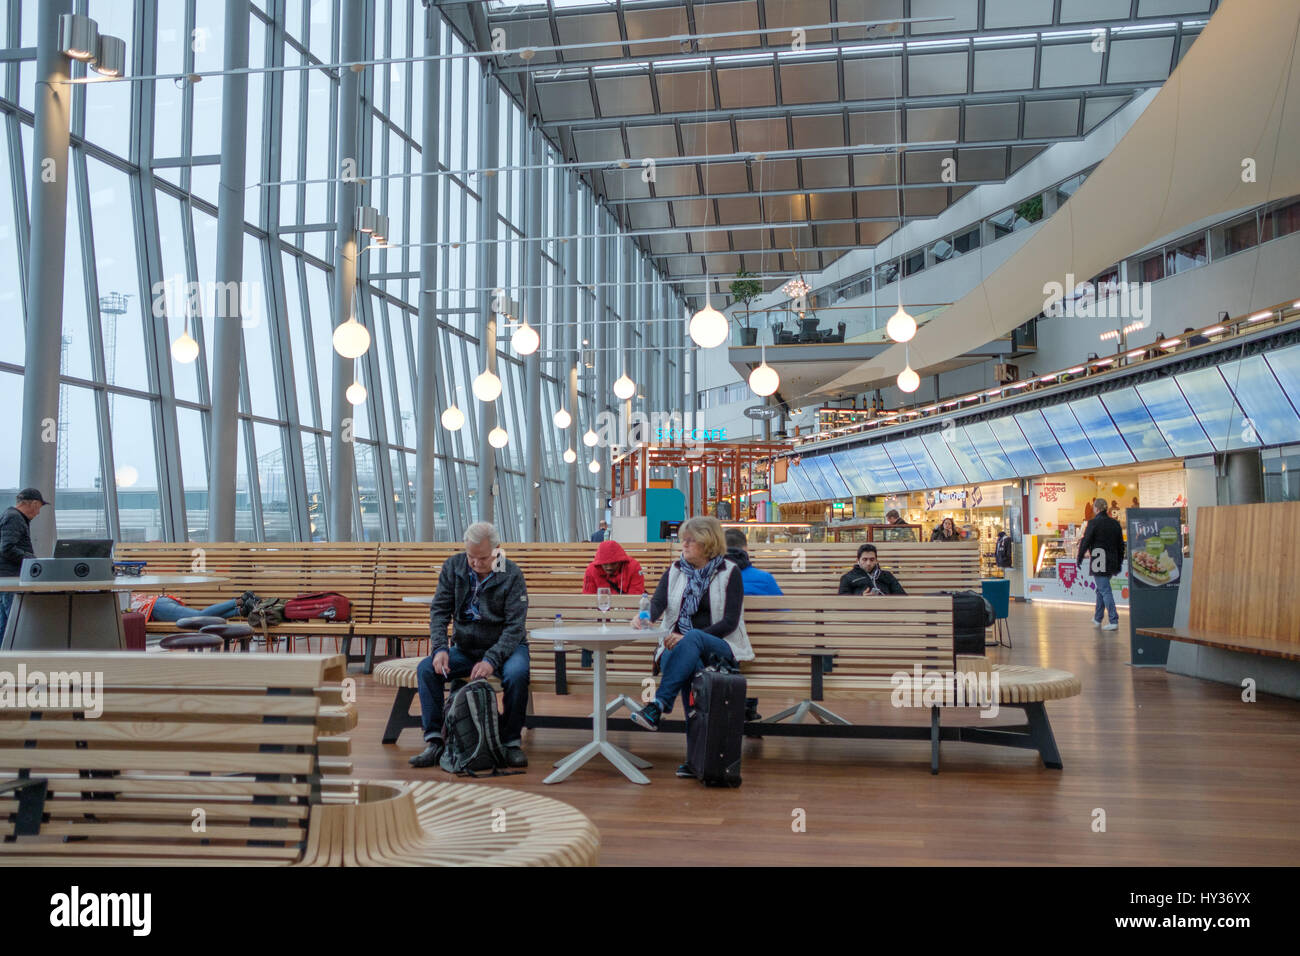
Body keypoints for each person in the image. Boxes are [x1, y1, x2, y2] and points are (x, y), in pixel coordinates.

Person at [628, 516, 754, 774]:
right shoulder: (675, 571)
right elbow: (657, 604)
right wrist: (644, 617)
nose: (683, 545)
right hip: (676, 649)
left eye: (690, 540)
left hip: (719, 646)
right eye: (682, 540)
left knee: (694, 640)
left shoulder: (730, 573)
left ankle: (659, 705)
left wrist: (689, 637)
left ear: (708, 543)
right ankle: (697, 761)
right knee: (693, 672)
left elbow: (730, 622)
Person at [410, 522, 530, 770]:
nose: (475, 563)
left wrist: (491, 660)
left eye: (483, 558)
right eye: (471, 556)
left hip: (506, 648)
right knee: (426, 670)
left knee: (517, 675)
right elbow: (440, 611)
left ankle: (510, 742)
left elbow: (515, 627)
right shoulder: (453, 567)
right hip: (465, 648)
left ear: (497, 550)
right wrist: (440, 649)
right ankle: (435, 740)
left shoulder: (512, 574)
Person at [0, 488, 47, 637]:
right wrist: (31, 560)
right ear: (33, 503)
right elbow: (6, 548)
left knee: (5, 626)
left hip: (6, 579)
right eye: (39, 507)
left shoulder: (11, 515)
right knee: (13, 626)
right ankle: (14, 659)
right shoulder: (14, 517)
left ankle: (5, 658)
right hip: (11, 579)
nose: (38, 513)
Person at [1077, 497, 1126, 631]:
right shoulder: (1115, 524)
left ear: (1096, 509)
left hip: (1099, 559)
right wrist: (1120, 561)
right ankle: (1098, 618)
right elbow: (1121, 545)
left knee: (1104, 590)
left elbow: (1085, 542)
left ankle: (1113, 620)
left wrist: (1079, 558)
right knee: (1101, 588)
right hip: (1112, 560)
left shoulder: (1093, 523)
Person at [723, 528, 783, 596]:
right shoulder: (766, 579)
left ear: (721, 548)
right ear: (745, 548)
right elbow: (781, 605)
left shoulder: (713, 578)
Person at [838, 544, 907, 595]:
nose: (868, 563)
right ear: (857, 560)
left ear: (876, 560)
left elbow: (902, 595)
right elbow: (843, 600)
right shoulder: (847, 577)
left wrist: (886, 600)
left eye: (872, 559)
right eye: (864, 559)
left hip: (885, 610)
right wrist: (860, 597)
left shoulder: (887, 575)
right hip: (860, 612)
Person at [130, 592, 245, 623]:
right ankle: (240, 611)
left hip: (156, 608)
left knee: (199, 617)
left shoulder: (119, 604)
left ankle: (240, 600)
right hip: (160, 602)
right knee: (203, 618)